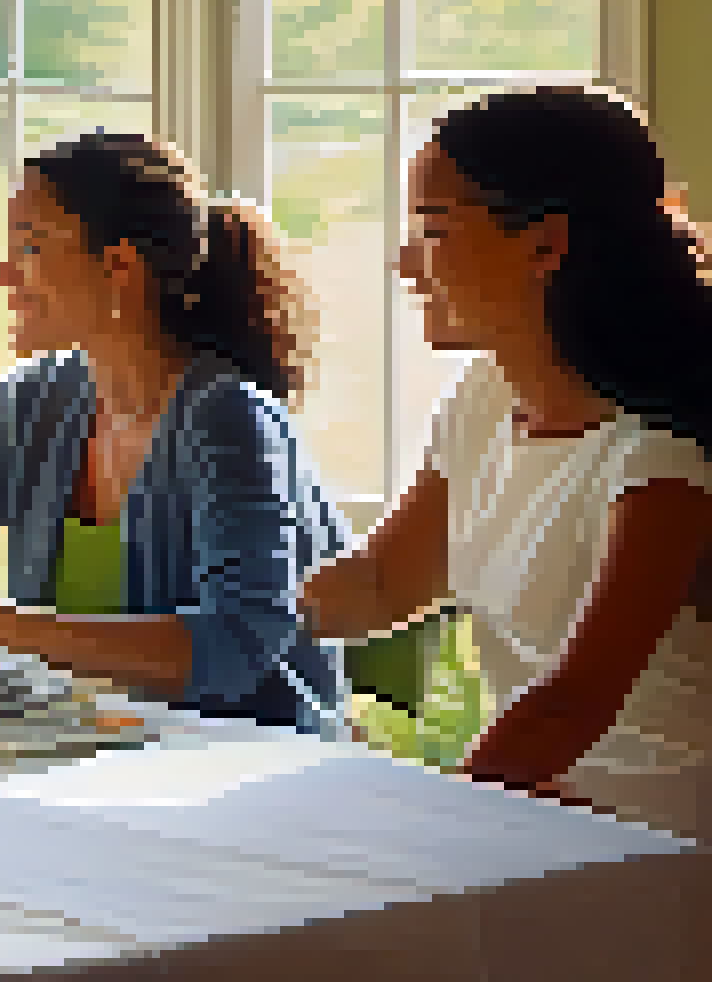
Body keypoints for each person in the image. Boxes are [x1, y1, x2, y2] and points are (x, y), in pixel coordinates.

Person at [0, 131, 349, 734]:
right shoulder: (35, 400)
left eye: (29, 247)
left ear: (118, 267)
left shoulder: (227, 419)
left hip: (245, 768)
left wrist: (7, 626)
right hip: (90, 759)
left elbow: (234, 650)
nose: (3, 277)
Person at [301, 87, 712, 837]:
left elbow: (572, 704)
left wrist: (447, 822)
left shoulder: (661, 452)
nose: (403, 262)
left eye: (432, 228)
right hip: (535, 813)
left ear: (545, 246)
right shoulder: (484, 395)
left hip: (655, 845)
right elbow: (385, 582)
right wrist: (229, 621)